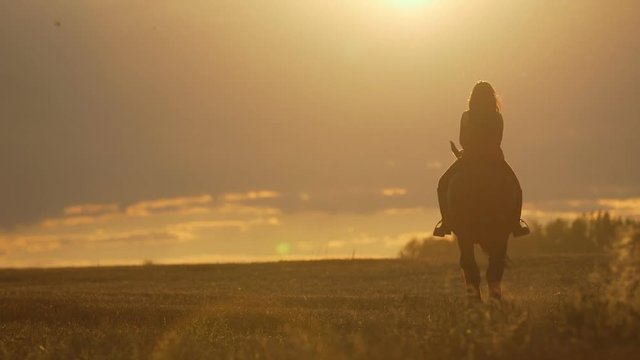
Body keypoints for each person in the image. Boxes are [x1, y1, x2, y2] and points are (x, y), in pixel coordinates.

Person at [433, 81, 529, 238]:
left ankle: (445, 223)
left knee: (442, 184)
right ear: (492, 98)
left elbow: (463, 140)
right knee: (516, 188)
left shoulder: (466, 116)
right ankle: (516, 224)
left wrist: (468, 150)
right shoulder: (497, 117)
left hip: (469, 158)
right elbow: (498, 140)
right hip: (494, 159)